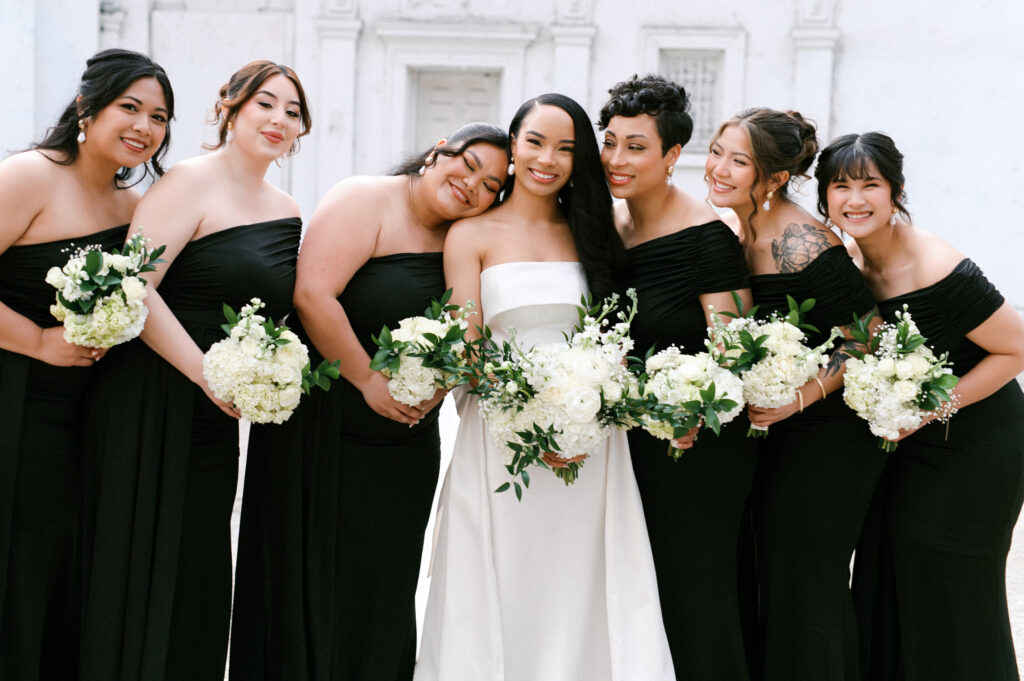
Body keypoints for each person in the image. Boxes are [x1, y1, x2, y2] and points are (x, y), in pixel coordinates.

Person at [229, 121, 509, 681]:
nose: (472, 185)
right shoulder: (366, 198)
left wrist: (440, 382)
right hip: (321, 423)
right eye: (468, 164)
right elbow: (313, 294)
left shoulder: (463, 241)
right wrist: (366, 380)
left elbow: (464, 331)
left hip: (400, 445)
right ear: (437, 152)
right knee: (300, 574)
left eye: (490, 185)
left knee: (381, 584)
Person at [414, 93, 674, 681]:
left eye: (566, 148)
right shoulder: (471, 234)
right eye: (534, 142)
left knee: (580, 585)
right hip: (501, 439)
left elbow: (615, 338)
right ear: (513, 146)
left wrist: (589, 414)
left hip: (592, 438)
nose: (547, 159)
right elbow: (467, 348)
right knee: (506, 579)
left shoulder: (596, 233)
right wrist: (529, 420)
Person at [79, 60, 309, 681]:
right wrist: (207, 372)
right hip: (152, 390)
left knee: (200, 557)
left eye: (292, 111)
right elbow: (136, 289)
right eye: (266, 103)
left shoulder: (287, 210)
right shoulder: (186, 181)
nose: (279, 119)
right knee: (139, 550)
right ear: (230, 106)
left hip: (215, 415)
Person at [816, 132, 1024, 681]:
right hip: (904, 442)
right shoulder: (852, 263)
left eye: (870, 185)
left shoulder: (935, 265)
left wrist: (930, 411)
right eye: (841, 186)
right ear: (825, 197)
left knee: (953, 584)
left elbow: (1017, 347)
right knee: (889, 572)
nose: (855, 199)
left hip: (976, 440)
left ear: (896, 192)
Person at [0, 48, 172, 681]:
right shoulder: (29, 176)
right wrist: (38, 342)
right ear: (85, 106)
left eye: (158, 117)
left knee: (64, 569)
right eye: (130, 107)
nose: (144, 127)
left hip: (91, 419)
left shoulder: (136, 209)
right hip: (15, 403)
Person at [705, 108, 884, 681]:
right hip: (778, 431)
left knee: (806, 582)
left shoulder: (800, 239)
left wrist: (800, 397)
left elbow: (867, 329)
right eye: (716, 151)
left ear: (776, 179)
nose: (718, 168)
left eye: (740, 161)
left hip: (826, 437)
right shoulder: (745, 230)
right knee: (775, 579)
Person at [598, 74, 757, 680]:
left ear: (671, 156)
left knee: (692, 595)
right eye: (610, 142)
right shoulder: (607, 227)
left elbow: (736, 352)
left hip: (696, 445)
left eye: (636, 147)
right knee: (640, 598)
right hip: (626, 443)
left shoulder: (707, 239)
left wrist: (689, 413)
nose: (617, 158)